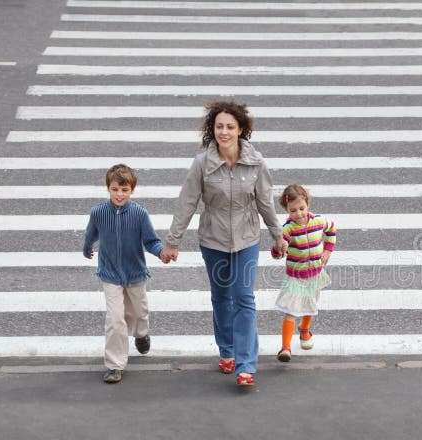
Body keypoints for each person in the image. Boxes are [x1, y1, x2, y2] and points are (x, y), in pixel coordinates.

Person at [160, 100, 287, 387]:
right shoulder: (202, 163)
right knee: (221, 298)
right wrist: (172, 242)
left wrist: (278, 236)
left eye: (230, 126)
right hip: (213, 240)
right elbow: (187, 203)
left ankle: (245, 365)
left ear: (241, 129)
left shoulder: (256, 162)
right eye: (219, 126)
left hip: (247, 239)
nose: (224, 132)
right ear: (212, 129)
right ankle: (227, 350)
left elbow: (265, 202)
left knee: (244, 298)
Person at [83, 163, 166, 384]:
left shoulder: (139, 214)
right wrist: (87, 247)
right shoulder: (98, 213)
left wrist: (162, 253)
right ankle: (114, 365)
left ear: (132, 190)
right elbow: (91, 234)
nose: (119, 194)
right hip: (110, 274)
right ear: (108, 188)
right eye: (115, 189)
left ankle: (141, 333)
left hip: (135, 272)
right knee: (115, 319)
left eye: (125, 190)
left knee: (138, 312)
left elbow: (151, 241)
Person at [271, 184, 337, 362]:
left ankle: (304, 330)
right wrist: (278, 250)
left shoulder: (319, 221)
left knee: (311, 304)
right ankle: (285, 347)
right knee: (290, 310)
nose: (298, 213)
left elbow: (331, 230)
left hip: (314, 273)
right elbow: (279, 252)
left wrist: (328, 250)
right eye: (293, 210)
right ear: (286, 210)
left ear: (308, 204)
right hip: (295, 277)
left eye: (302, 208)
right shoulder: (287, 229)